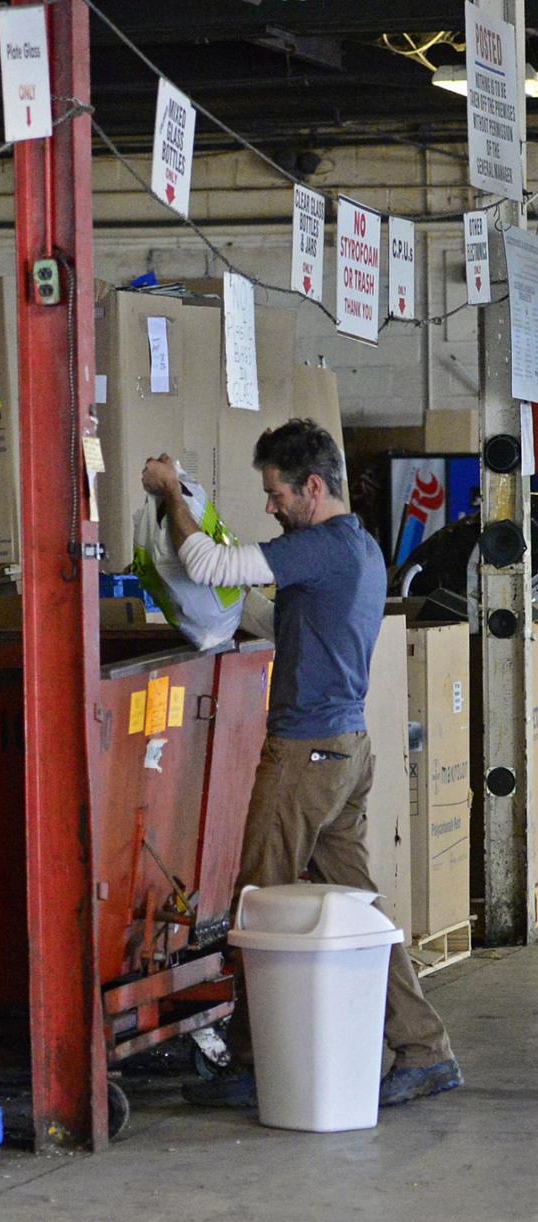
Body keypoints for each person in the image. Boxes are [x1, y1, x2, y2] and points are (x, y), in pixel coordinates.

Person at [140, 419, 462, 1109]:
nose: (271, 506)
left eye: (277, 492)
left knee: (260, 902)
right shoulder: (358, 548)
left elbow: (210, 564)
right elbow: (275, 622)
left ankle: (258, 1061)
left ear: (313, 487)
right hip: (344, 750)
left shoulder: (320, 546)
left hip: (306, 755)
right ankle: (424, 1048)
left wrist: (170, 493)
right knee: (360, 911)